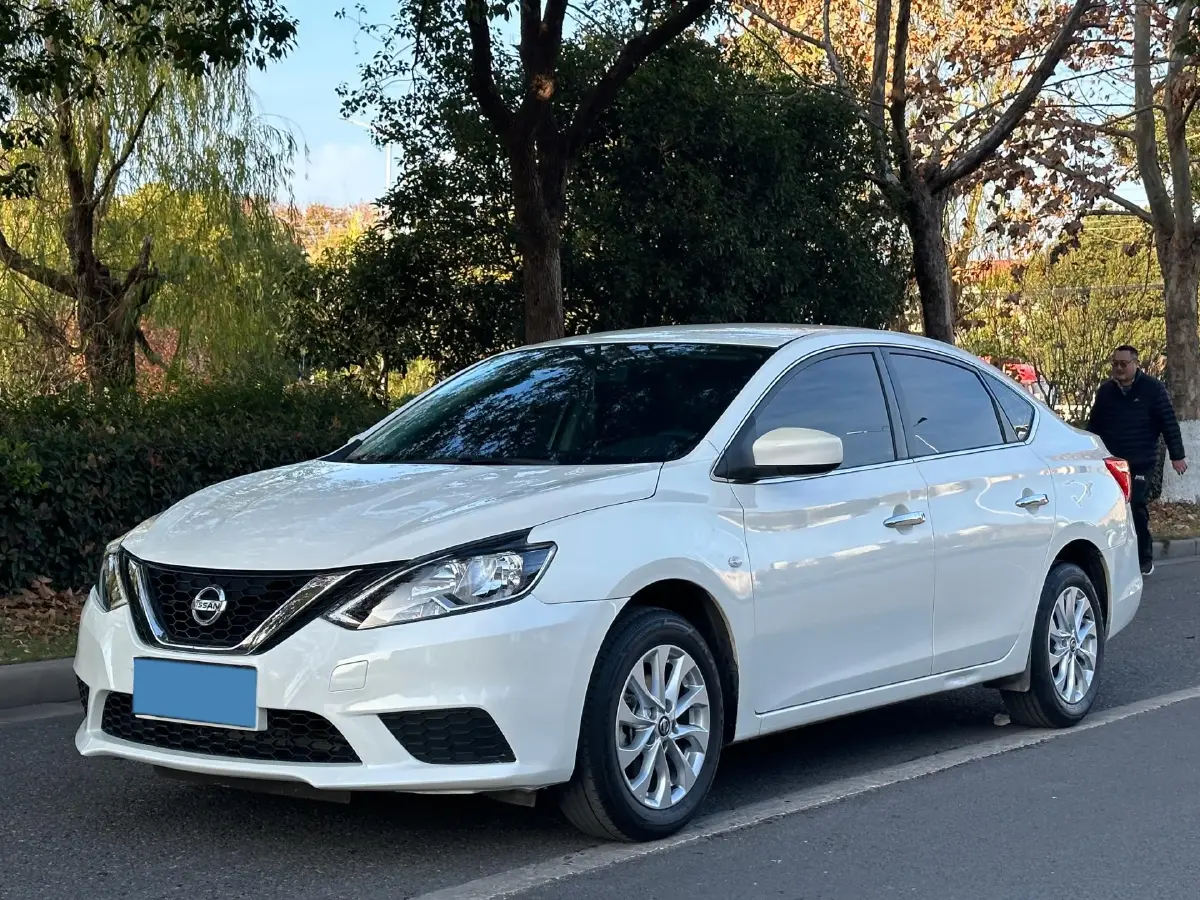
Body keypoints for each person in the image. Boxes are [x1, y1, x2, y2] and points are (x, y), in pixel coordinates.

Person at [1086, 345, 1188, 576]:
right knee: (1111, 511)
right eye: (1115, 364)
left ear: (1135, 364)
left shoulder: (1153, 389)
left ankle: (1144, 558)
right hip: (1111, 463)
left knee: (1135, 506)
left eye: (1123, 364)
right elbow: (1094, 425)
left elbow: (1168, 423)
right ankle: (1117, 558)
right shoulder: (1105, 392)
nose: (1119, 369)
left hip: (1141, 461)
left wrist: (1177, 456)